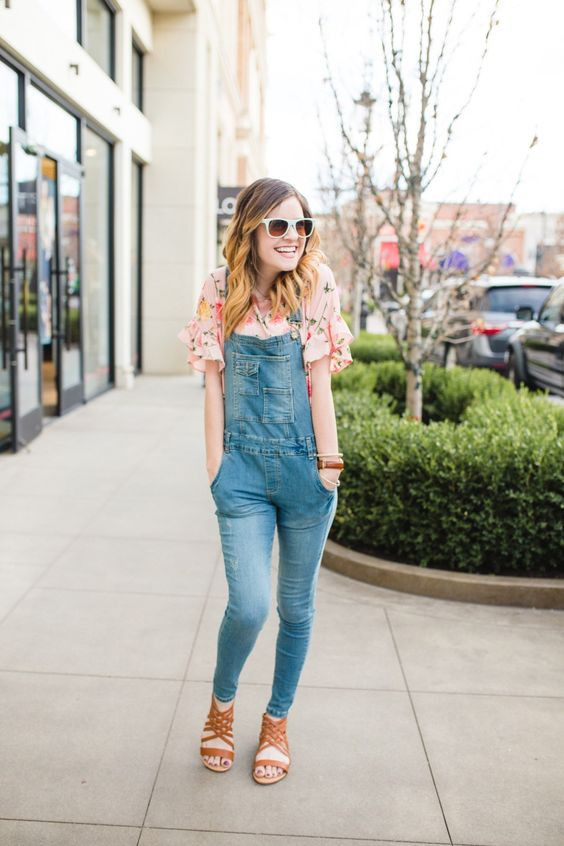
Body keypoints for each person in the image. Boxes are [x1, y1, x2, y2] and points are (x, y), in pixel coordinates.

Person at [177, 177, 354, 785]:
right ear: (250, 228)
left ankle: (276, 721)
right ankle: (222, 707)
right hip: (243, 473)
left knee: (295, 608)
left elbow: (323, 382)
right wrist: (215, 467)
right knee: (249, 606)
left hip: (308, 470)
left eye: (301, 226)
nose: (292, 237)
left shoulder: (318, 287)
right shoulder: (220, 288)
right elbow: (212, 383)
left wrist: (330, 463)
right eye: (278, 225)